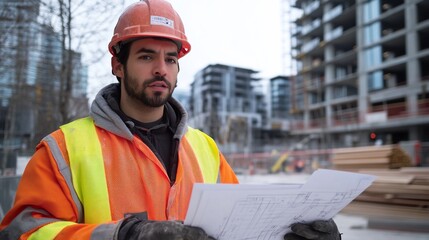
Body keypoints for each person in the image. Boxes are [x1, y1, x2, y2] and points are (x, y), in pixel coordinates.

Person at [0, 1, 341, 239]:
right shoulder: (62, 149)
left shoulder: (204, 148)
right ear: (118, 65)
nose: (161, 69)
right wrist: (124, 235)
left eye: (170, 58)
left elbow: (241, 228)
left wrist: (294, 233)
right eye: (146, 56)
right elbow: (25, 233)